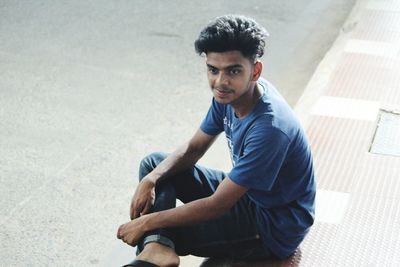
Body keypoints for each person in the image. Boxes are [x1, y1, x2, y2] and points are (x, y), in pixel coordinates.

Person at [117, 15, 316, 267]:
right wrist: (151, 179)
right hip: (248, 197)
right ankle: (157, 248)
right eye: (213, 69)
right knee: (156, 164)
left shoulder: (271, 129)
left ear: (255, 70)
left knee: (163, 232)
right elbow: (194, 148)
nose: (220, 82)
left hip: (274, 226)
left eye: (233, 71)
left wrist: (148, 223)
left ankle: (156, 249)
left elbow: (218, 204)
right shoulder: (229, 96)